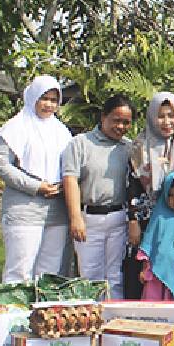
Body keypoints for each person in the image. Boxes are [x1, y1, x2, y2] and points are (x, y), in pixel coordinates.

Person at [0, 75, 73, 282]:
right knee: (19, 269)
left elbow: (70, 165)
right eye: (44, 98)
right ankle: (14, 314)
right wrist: (36, 186)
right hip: (24, 208)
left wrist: (63, 185)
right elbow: (0, 164)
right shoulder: (14, 127)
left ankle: (43, 314)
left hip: (56, 209)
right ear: (32, 97)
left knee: (49, 272)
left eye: (54, 100)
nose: (49, 104)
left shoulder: (61, 131)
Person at [62, 95, 134, 298]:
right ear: (103, 117)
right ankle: (91, 324)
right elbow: (70, 180)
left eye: (126, 122)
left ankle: (114, 324)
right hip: (89, 219)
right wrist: (75, 218)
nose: (120, 126)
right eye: (116, 120)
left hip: (119, 218)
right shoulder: (80, 144)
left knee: (115, 276)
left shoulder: (128, 148)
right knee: (91, 275)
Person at [128, 91, 174, 257]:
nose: (167, 122)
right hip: (148, 221)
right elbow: (133, 187)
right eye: (160, 116)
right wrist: (133, 220)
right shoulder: (140, 147)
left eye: (171, 116)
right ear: (151, 117)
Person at [136, 171, 174, 300]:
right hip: (159, 275)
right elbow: (149, 244)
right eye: (171, 195)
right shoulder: (160, 216)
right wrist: (145, 268)